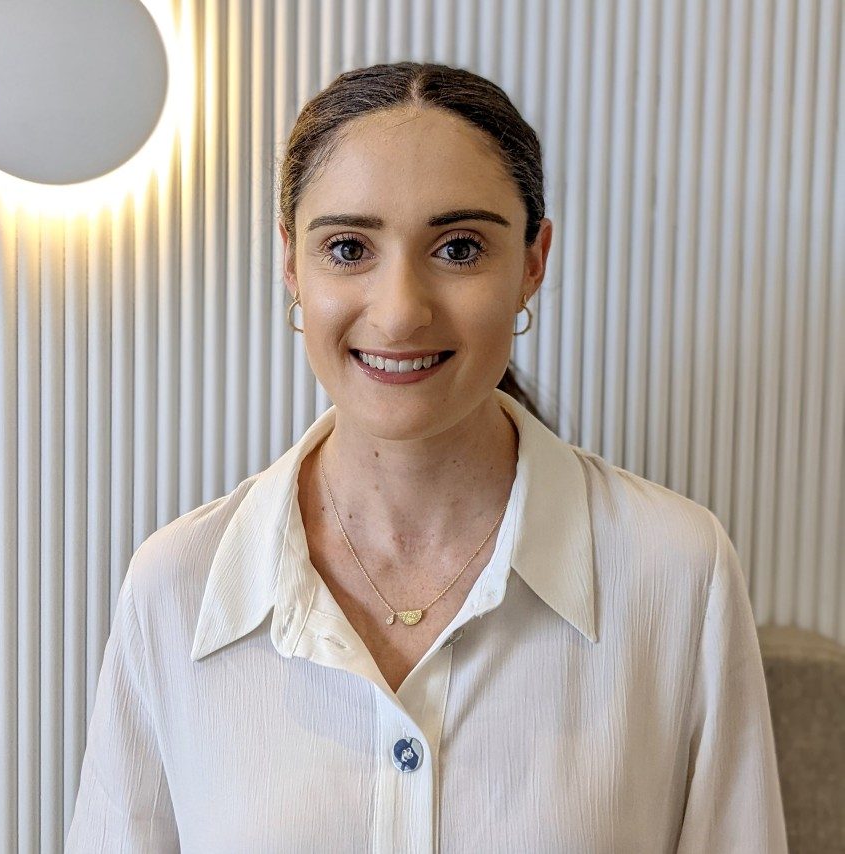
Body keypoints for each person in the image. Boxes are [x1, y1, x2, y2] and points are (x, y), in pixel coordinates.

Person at [66, 61, 788, 852]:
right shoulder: (176, 587)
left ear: (533, 264)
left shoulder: (676, 571)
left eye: (459, 247)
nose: (402, 311)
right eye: (348, 248)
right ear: (290, 263)